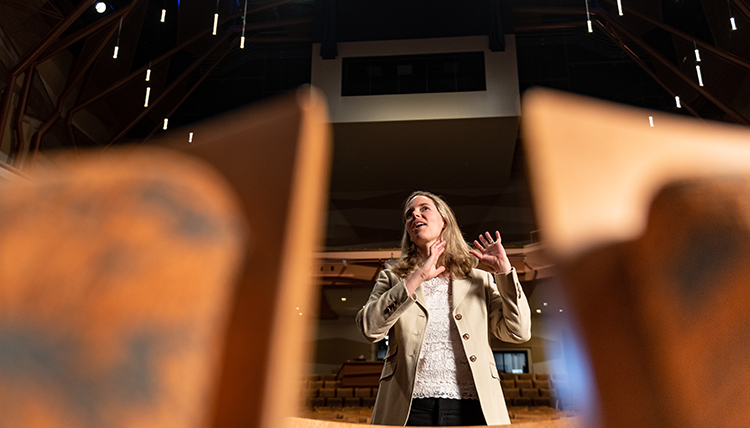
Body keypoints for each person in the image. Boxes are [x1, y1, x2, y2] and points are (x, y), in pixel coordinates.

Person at [356, 191, 532, 426]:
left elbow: (518, 332)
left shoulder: (480, 279)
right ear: (409, 231)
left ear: (444, 221)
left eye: (424, 208)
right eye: (409, 214)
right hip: (409, 408)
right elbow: (370, 328)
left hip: (472, 406)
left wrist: (504, 273)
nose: (415, 214)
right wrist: (417, 277)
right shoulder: (393, 278)